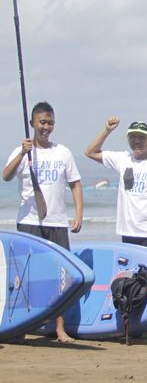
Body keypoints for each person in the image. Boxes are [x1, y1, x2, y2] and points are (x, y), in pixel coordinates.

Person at [84, 118, 147, 340]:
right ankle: (131, 320)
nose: (137, 141)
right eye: (133, 137)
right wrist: (106, 130)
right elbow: (89, 152)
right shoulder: (121, 159)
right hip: (127, 229)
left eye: (141, 138)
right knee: (129, 278)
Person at [3, 102, 83, 343]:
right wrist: (22, 153)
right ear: (32, 124)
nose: (46, 127)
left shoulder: (63, 152)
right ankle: (20, 326)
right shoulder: (23, 151)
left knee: (60, 277)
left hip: (57, 222)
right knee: (25, 276)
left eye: (50, 123)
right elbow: (5, 176)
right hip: (28, 221)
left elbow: (75, 184)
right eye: (42, 122)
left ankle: (59, 329)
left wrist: (78, 213)